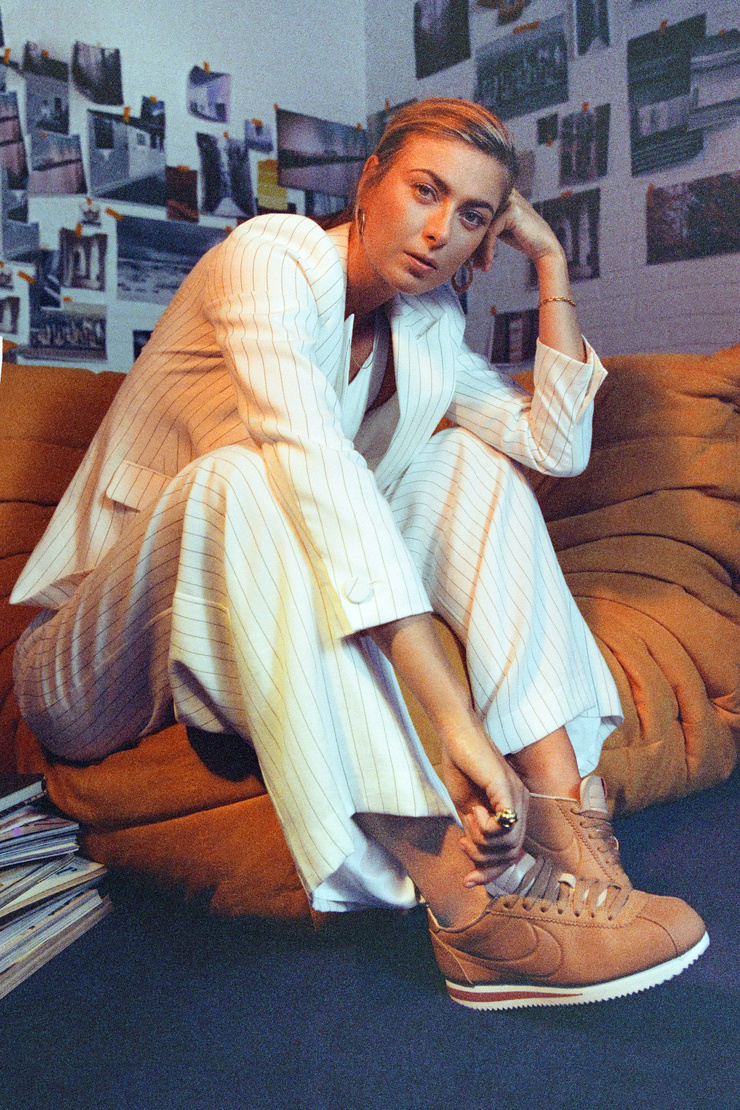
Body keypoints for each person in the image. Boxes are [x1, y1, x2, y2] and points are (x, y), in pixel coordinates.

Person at [11, 98, 707, 1009]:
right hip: (93, 661)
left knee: (469, 460)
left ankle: (562, 819)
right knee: (246, 476)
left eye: (472, 216)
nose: (440, 231)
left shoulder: (426, 328)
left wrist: (550, 262)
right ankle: (472, 912)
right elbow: (311, 467)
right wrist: (452, 719)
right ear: (369, 179)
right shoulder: (269, 259)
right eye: (425, 190)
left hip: (240, 627)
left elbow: (555, 446)